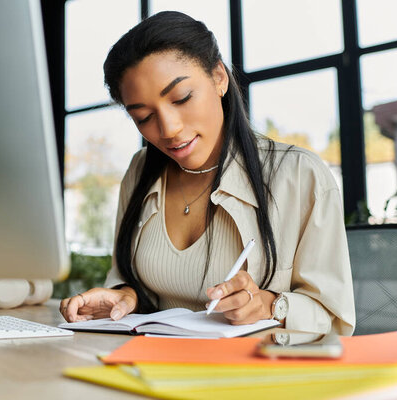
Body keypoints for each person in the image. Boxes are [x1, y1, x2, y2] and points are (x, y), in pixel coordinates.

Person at [60, 11, 355, 336]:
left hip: (255, 376)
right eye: (143, 117)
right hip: (153, 367)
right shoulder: (140, 171)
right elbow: (128, 281)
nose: (169, 129)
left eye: (182, 98)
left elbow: (335, 318)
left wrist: (270, 304)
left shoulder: (299, 176)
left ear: (219, 78)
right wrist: (124, 297)